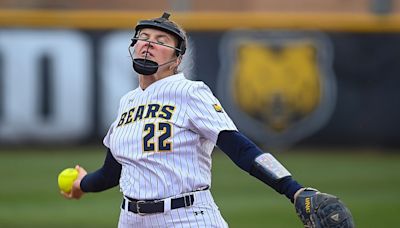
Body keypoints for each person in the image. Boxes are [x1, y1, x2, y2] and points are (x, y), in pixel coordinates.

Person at [62, 12, 354, 228]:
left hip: (186, 217)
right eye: (143, 38)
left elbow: (240, 148)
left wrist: (293, 189)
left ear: (177, 59)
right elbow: (112, 173)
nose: (148, 44)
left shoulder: (190, 92)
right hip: (130, 220)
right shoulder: (127, 103)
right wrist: (82, 183)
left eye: (161, 40)